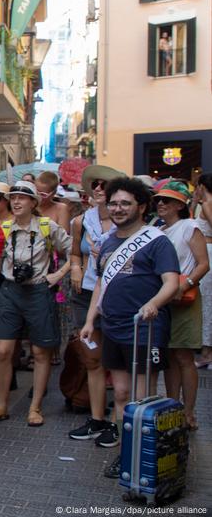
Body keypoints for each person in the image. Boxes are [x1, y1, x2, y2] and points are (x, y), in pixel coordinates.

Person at [80, 177, 179, 479]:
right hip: (113, 327)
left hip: (144, 329)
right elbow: (101, 284)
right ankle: (126, 454)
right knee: (121, 394)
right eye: (113, 203)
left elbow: (171, 282)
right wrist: (90, 320)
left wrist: (154, 303)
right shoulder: (109, 242)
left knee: (141, 399)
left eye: (125, 203)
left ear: (142, 206)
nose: (118, 208)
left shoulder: (157, 241)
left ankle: (142, 458)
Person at [0, 181, 72, 427]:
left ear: (34, 202)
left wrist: (58, 274)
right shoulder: (4, 228)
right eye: (13, 197)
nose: (16, 201)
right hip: (10, 291)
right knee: (3, 351)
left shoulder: (46, 226)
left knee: (40, 352)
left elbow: (74, 251)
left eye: (22, 197)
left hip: (38, 291)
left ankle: (35, 407)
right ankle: (2, 406)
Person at [67, 165, 124, 446]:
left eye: (105, 184)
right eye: (95, 184)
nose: (99, 188)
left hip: (116, 296)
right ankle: (97, 418)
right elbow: (75, 253)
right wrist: (76, 268)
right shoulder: (81, 221)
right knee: (91, 357)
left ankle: (117, 422)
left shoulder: (125, 221)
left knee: (118, 358)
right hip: (85, 293)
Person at [156, 181, 208, 430]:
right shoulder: (158, 230)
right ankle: (172, 409)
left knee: (183, 356)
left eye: (166, 200)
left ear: (179, 204)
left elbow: (203, 263)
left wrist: (183, 285)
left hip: (184, 299)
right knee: (169, 356)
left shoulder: (190, 226)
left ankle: (188, 413)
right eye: (158, 200)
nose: (160, 203)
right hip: (163, 299)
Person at [196, 173, 212, 368]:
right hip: (206, 251)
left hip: (208, 252)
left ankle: (207, 352)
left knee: (206, 301)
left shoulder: (208, 203)